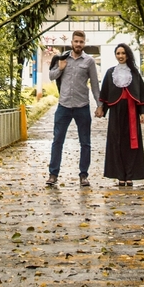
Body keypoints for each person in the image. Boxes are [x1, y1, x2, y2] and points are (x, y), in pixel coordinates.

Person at [46, 30, 99, 187]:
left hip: (82, 106)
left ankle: (84, 175)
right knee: (57, 141)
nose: (78, 44)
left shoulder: (89, 61)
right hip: (64, 106)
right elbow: (51, 76)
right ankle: (53, 174)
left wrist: (100, 105)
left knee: (85, 142)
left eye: (81, 42)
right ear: (72, 42)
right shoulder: (62, 58)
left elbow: (95, 85)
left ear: (84, 43)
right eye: (76, 41)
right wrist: (60, 68)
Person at [95, 44, 144, 186]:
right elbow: (106, 94)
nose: (120, 56)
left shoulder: (134, 73)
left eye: (123, 53)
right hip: (116, 112)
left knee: (132, 144)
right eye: (118, 53)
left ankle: (130, 175)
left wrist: (143, 112)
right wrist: (102, 108)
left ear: (127, 55)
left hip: (131, 111)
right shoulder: (110, 73)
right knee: (116, 143)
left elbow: (141, 93)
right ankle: (120, 175)